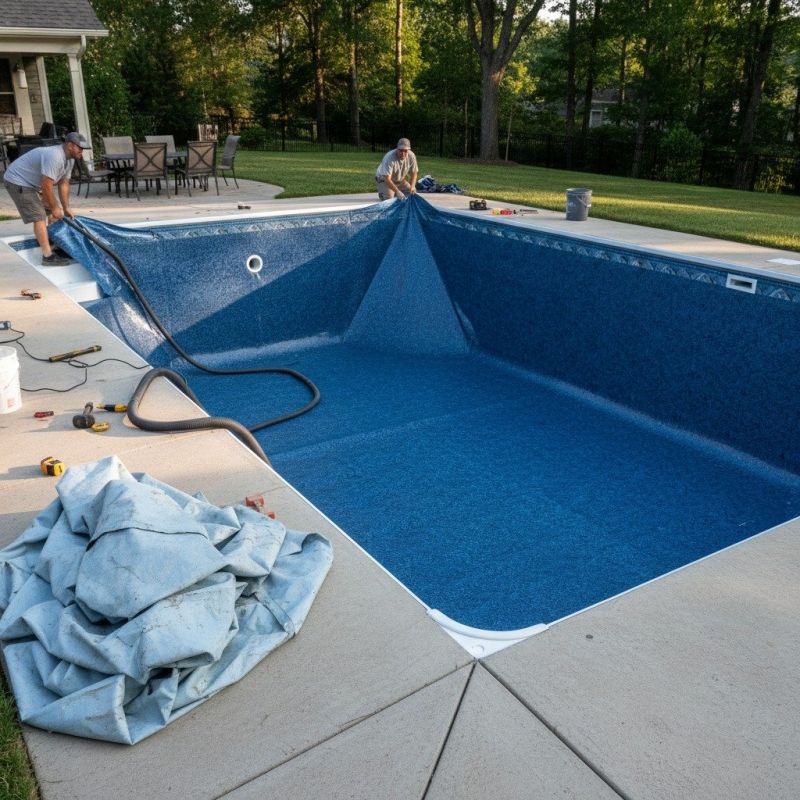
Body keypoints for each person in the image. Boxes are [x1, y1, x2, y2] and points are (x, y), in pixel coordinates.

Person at [3, 132, 89, 265]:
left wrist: (66, 207)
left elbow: (64, 183)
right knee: (39, 215)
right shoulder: (55, 156)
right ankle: (47, 256)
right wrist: (55, 207)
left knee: (54, 212)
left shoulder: (70, 159)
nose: (82, 152)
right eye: (80, 148)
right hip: (17, 180)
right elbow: (46, 185)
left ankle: (53, 244)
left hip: (33, 182)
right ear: (70, 145)